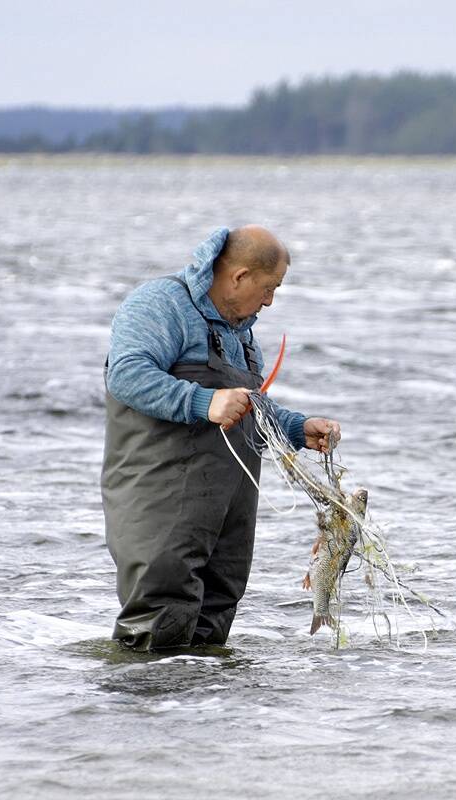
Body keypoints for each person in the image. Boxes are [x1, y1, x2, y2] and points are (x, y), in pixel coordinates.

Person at [101, 225, 340, 651]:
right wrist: (203, 402)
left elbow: (248, 408)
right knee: (158, 621)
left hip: (226, 509)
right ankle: (144, 712)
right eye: (269, 288)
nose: (269, 301)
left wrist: (296, 428)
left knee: (214, 624)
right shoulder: (160, 304)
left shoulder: (242, 333)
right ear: (239, 276)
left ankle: (210, 714)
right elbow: (126, 374)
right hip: (159, 496)